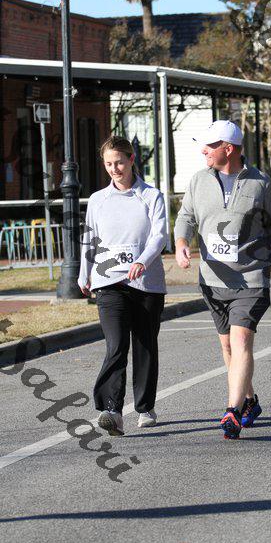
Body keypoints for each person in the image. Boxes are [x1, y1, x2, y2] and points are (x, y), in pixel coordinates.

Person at [174, 120, 271, 440]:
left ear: (228, 149)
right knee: (228, 346)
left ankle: (232, 410)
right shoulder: (199, 180)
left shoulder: (259, 183)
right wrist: (181, 243)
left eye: (209, 146)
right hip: (213, 279)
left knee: (241, 340)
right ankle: (249, 401)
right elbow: (185, 216)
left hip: (251, 278)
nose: (203, 151)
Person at [78, 136, 167, 436]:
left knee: (145, 345)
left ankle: (145, 406)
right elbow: (89, 238)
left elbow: (159, 236)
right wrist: (84, 274)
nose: (114, 169)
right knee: (116, 345)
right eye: (108, 164)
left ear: (131, 160)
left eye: (119, 162)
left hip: (146, 284)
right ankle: (112, 411)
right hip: (109, 283)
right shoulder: (98, 200)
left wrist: (142, 260)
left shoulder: (151, 196)